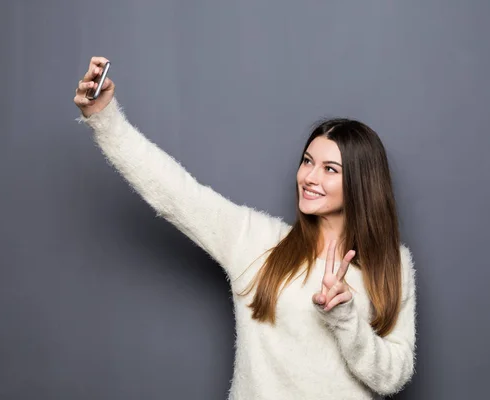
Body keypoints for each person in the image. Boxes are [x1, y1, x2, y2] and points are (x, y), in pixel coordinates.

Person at [74, 56, 417, 399]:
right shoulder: (256, 241)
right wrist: (105, 119)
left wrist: (345, 318)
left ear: (361, 183)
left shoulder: (393, 264)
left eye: (330, 169)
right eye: (308, 162)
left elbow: (392, 377)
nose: (309, 178)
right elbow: (174, 192)